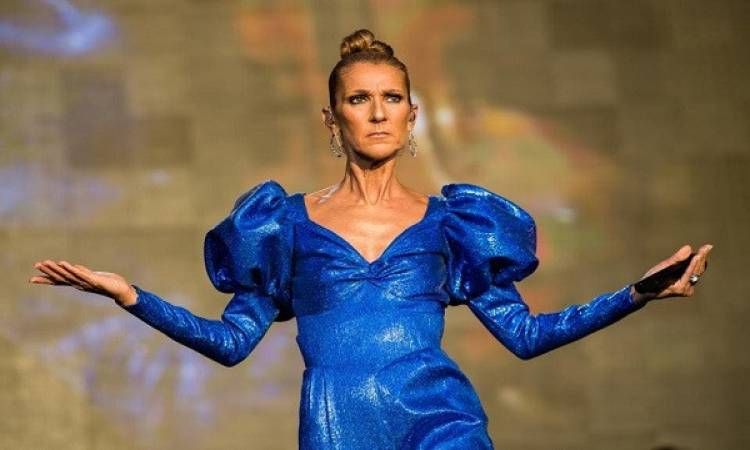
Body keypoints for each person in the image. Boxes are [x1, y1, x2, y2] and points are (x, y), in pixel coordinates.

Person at [30, 29, 712, 449]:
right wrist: (131, 297)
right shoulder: (282, 223)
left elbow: (526, 335)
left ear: (412, 116)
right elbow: (232, 343)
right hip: (337, 428)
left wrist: (635, 294)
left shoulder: (454, 222)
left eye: (392, 99)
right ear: (333, 119)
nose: (378, 113)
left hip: (442, 422)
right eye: (360, 99)